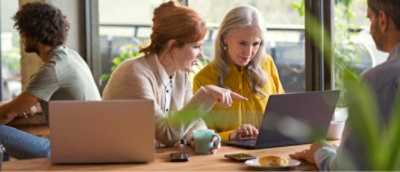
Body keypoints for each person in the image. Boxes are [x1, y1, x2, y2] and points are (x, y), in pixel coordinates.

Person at [102, 1, 247, 153]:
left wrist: (199, 138)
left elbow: (193, 121)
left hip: (155, 160)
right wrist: (206, 94)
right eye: (196, 46)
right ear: (172, 46)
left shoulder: (180, 74)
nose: (201, 54)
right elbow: (167, 134)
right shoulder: (134, 73)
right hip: (118, 162)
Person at [290, 0, 400, 170]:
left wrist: (321, 153)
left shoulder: (378, 81)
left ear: (383, 20)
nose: (370, 29)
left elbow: (346, 169)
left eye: (370, 19)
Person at [0, 2, 101, 159]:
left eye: (23, 32)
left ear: (34, 34)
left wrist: (19, 108)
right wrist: (31, 107)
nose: (21, 37)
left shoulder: (53, 69)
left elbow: (6, 113)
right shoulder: (71, 56)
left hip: (72, 152)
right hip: (92, 147)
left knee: (1, 133)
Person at [193, 5, 284, 141]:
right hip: (224, 156)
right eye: (242, 43)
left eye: (255, 44)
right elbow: (200, 135)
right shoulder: (203, 79)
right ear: (225, 38)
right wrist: (231, 135)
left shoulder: (267, 64)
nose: (248, 52)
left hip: (267, 151)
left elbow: (282, 114)